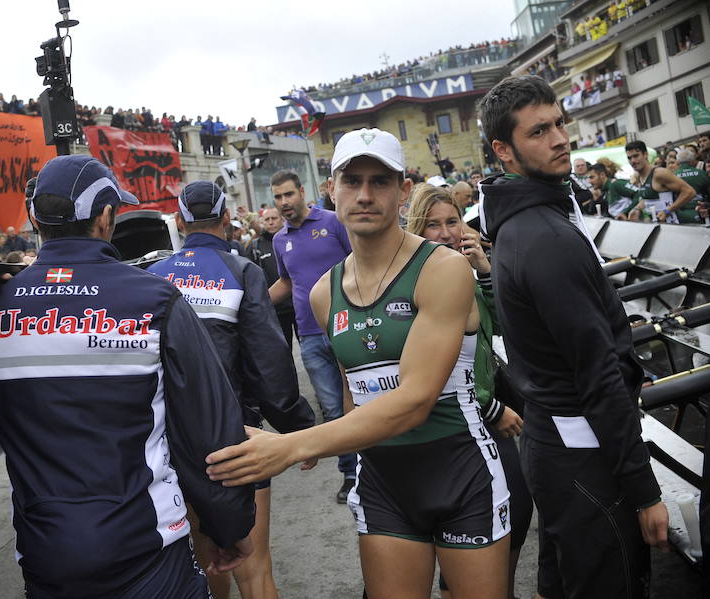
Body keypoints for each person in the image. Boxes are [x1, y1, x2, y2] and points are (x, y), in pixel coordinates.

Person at [207, 128, 509, 599]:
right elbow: (355, 392)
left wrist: (295, 445)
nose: (364, 195)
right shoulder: (327, 292)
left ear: (403, 191)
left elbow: (414, 402)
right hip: (384, 483)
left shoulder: (443, 268)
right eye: (352, 181)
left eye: (380, 182)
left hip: (461, 475)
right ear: (332, 188)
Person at [0, 154, 254, 598]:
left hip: (44, 553)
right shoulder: (155, 297)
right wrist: (229, 526)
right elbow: (208, 428)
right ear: (106, 217)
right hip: (148, 548)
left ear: (35, 218)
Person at [477, 74, 668, 599]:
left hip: (557, 450)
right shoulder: (543, 236)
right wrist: (644, 488)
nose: (561, 137)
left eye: (560, 122)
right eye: (539, 131)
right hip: (586, 458)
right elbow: (598, 374)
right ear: (505, 151)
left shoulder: (523, 220)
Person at [147, 181, 315, 599]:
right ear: (226, 219)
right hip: (234, 439)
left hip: (169, 444)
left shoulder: (150, 276)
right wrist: (297, 428)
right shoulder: (242, 270)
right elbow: (268, 362)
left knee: (205, 565)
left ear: (180, 222)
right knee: (254, 569)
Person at [406, 183, 532, 599]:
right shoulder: (416, 278)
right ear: (415, 230)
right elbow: (428, 369)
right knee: (490, 512)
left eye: (452, 221)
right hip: (457, 418)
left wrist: (482, 269)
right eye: (432, 225)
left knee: (509, 510)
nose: (444, 233)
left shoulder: (460, 268)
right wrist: (493, 408)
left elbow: (504, 325)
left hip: (481, 407)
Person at [266, 169, 358, 503]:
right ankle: (350, 476)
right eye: (277, 197)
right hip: (308, 335)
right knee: (333, 409)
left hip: (346, 325)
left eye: (288, 194)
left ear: (302, 192)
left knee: (359, 403)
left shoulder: (333, 222)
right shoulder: (280, 240)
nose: (284, 203)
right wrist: (252, 301)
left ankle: (373, 471)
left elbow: (359, 262)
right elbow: (287, 282)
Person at [250, 207, 298, 350]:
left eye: (274, 218)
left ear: (282, 219)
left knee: (310, 349)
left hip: (298, 306)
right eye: (267, 219)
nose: (270, 222)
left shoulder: (292, 238)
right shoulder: (256, 246)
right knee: (283, 351)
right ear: (262, 222)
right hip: (275, 309)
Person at [625, 140, 696, 223]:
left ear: (645, 154)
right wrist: (636, 209)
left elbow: (690, 192)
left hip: (676, 225)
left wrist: (667, 211)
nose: (633, 161)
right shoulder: (638, 176)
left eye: (636, 156)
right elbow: (650, 198)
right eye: (629, 158)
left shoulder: (659, 173)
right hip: (660, 226)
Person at [672, 146, 710, 224]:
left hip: (682, 216)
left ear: (678, 162)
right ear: (692, 161)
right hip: (702, 213)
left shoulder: (672, 176)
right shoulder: (702, 173)